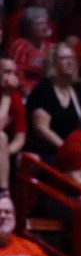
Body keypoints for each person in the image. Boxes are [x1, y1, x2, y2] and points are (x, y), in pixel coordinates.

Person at [25, 43, 81, 161]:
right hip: (45, 152)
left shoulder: (75, 93)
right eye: (64, 58)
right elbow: (41, 129)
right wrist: (67, 149)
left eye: (72, 58)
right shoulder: (43, 90)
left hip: (70, 151)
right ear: (53, 63)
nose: (69, 62)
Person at [0, 58, 27, 192]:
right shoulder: (9, 95)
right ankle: (3, 191)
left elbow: (20, 138)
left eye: (14, 73)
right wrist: (6, 96)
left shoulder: (15, 98)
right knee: (1, 137)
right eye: (7, 72)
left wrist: (5, 153)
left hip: (2, 150)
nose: (11, 77)